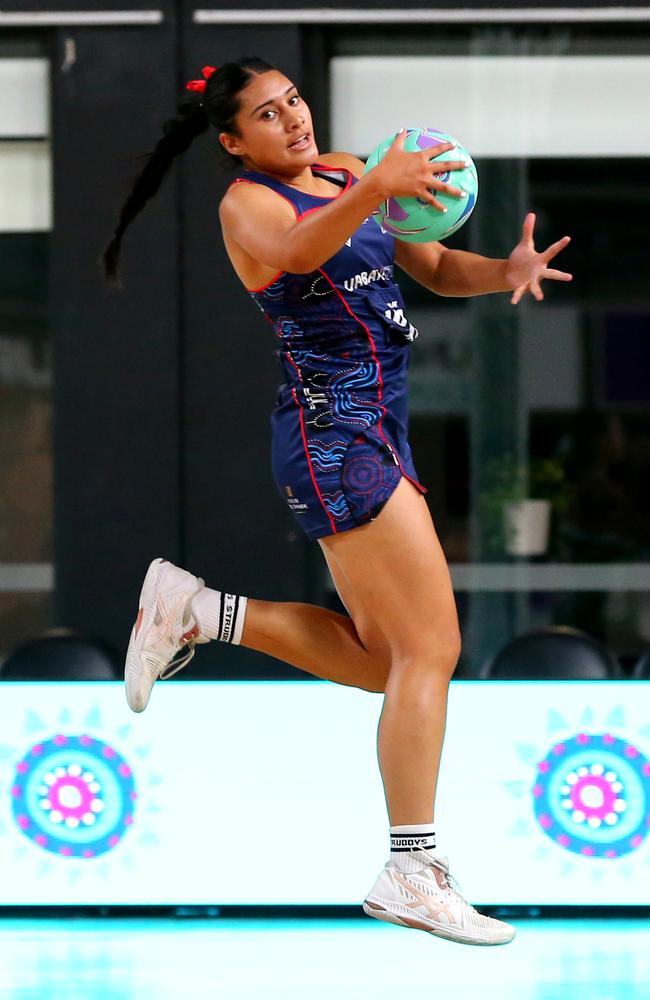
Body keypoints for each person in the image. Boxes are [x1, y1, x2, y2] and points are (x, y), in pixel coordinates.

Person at [102, 57, 572, 946]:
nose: (293, 122)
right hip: (332, 434)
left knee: (388, 662)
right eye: (268, 116)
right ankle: (411, 868)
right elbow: (298, 252)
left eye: (294, 103)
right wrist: (376, 186)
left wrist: (502, 268)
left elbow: (430, 262)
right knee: (433, 648)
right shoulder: (249, 204)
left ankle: (200, 610)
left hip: (377, 431)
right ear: (236, 140)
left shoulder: (353, 173)